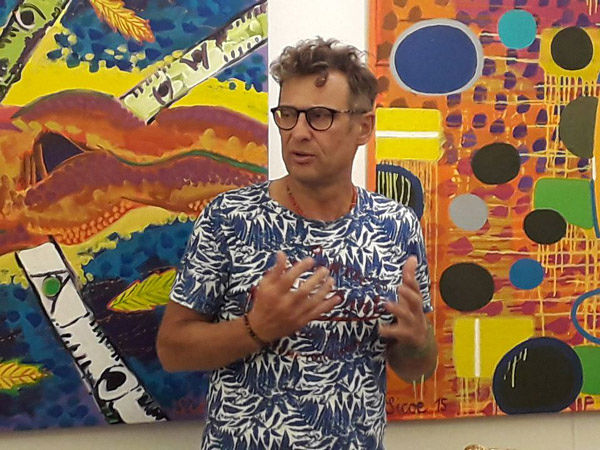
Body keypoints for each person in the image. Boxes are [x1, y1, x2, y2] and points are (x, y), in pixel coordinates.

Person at [157, 37, 437, 449]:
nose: (298, 133)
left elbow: (416, 368)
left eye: (319, 116)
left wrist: (417, 342)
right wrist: (256, 329)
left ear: (363, 127)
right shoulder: (229, 217)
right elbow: (172, 350)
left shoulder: (396, 226)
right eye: (288, 115)